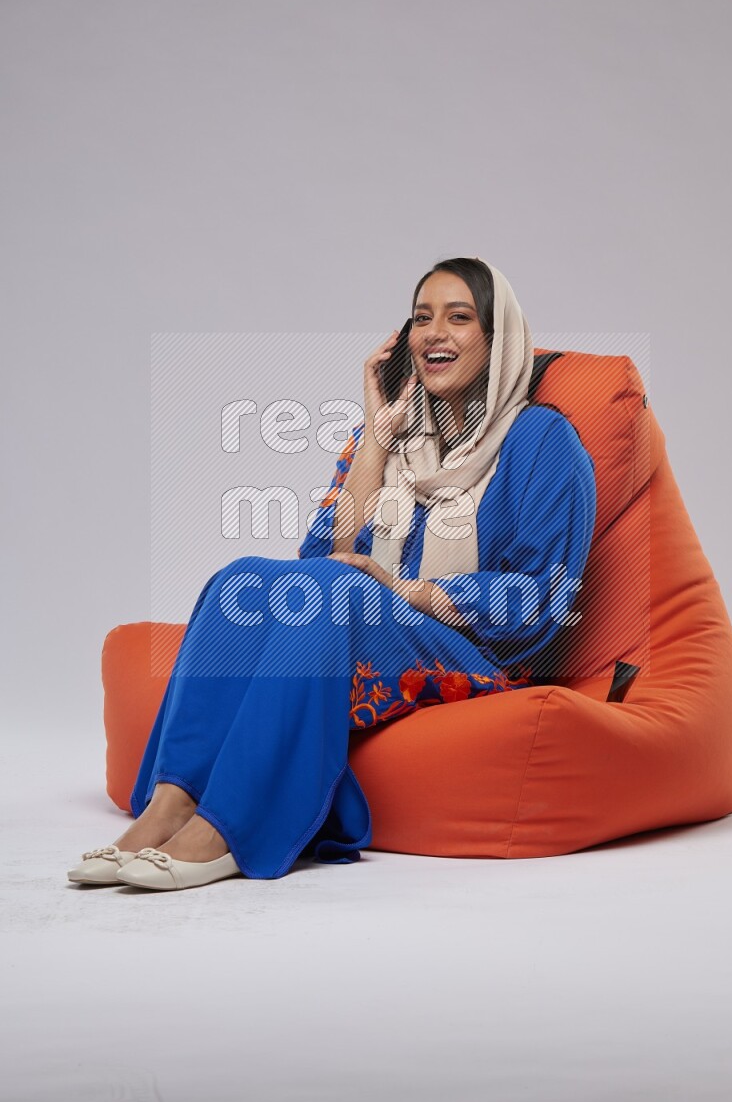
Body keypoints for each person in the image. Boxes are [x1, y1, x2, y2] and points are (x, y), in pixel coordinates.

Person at [67, 256, 597, 891]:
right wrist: (376, 435)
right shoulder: (391, 439)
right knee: (240, 577)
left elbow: (543, 599)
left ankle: (231, 828)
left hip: (474, 652)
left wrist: (404, 589)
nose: (435, 333)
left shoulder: (542, 440)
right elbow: (319, 563)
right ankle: (169, 805)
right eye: (421, 318)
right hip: (366, 618)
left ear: (499, 338)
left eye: (460, 318)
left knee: (341, 593)